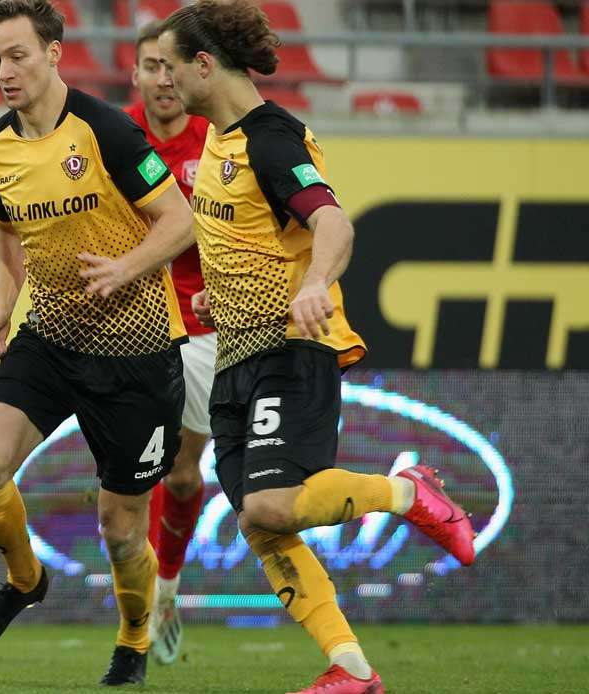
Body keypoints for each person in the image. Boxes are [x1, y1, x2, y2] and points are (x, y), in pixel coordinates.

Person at [155, 3, 477, 692]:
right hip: (235, 354)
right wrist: (225, 293)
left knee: (273, 506)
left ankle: (405, 491)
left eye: (171, 65)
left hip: (292, 349)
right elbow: (245, 237)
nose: (164, 79)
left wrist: (316, 282)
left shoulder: (272, 139)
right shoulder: (218, 138)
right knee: (260, 526)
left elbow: (333, 224)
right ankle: (351, 669)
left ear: (204, 65)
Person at [0, 0, 197, 686]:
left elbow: (178, 222)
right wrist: (3, 305)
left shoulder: (108, 132)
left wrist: (126, 267)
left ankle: (132, 637)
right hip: (52, 337)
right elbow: (8, 235)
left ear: (55, 51)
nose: (4, 71)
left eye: (17, 55)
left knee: (121, 528)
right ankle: (24, 581)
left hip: (138, 355)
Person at [124, 21, 212, 667]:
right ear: (137, 74)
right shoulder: (113, 136)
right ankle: (134, 614)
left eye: (170, 66)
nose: (162, 79)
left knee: (183, 474)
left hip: (204, 325)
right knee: (125, 479)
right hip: (131, 324)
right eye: (150, 65)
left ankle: (168, 587)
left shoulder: (219, 141)